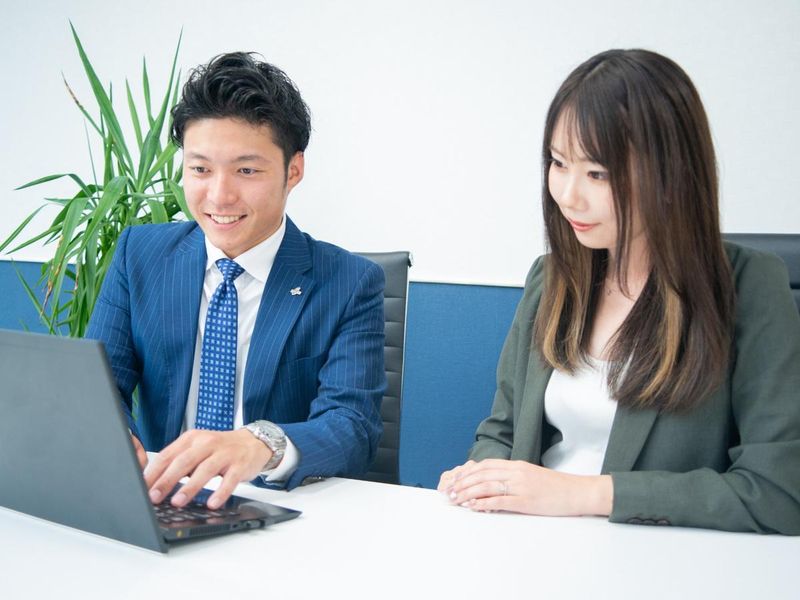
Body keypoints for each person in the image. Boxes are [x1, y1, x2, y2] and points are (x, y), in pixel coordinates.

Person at [438, 49, 800, 534]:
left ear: (670, 174)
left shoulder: (750, 285)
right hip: (531, 546)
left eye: (598, 174)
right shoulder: (551, 278)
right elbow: (502, 431)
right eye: (558, 163)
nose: (568, 196)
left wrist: (582, 493)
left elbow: (778, 492)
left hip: (658, 557)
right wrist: (482, 478)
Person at [87, 52, 386, 509]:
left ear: (293, 170)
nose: (219, 195)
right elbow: (101, 383)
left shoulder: (348, 282)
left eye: (246, 170)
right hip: (163, 498)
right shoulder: (139, 255)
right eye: (200, 169)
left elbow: (352, 426)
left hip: (274, 506)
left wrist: (261, 444)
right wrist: (114, 435)